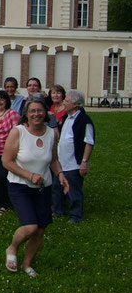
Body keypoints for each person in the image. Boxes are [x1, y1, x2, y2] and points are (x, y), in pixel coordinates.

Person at [3, 99, 69, 277]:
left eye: (40, 110)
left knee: (40, 230)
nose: (36, 114)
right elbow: (6, 161)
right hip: (20, 185)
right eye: (32, 111)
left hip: (43, 187)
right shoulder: (18, 132)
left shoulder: (51, 133)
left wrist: (61, 175)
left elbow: (53, 159)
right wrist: (30, 175)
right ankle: (13, 247)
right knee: (30, 227)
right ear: (26, 114)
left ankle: (27, 264)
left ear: (46, 113)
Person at [55, 90, 94, 223]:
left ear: (76, 104)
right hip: (61, 161)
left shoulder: (84, 120)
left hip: (74, 162)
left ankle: (76, 215)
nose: (64, 103)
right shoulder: (67, 117)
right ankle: (58, 210)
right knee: (57, 187)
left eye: (66, 100)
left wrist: (84, 162)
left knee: (74, 190)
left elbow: (89, 142)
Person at [0, 90, 20, 215]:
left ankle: (4, 204)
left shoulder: (12, 114)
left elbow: (16, 132)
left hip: (7, 152)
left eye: (2, 99)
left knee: (3, 177)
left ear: (7, 101)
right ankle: (0, 200)